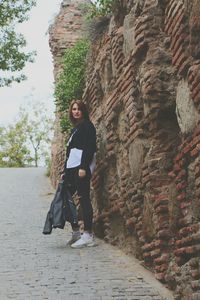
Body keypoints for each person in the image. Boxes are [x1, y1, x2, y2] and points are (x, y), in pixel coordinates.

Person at [62, 100, 97, 248]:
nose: (76, 111)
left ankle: (88, 235)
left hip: (81, 168)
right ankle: (76, 232)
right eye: (74, 109)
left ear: (83, 111)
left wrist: (84, 167)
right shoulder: (75, 129)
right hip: (71, 169)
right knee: (65, 198)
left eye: (79, 109)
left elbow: (89, 147)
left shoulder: (87, 126)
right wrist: (65, 171)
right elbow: (69, 153)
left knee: (84, 199)